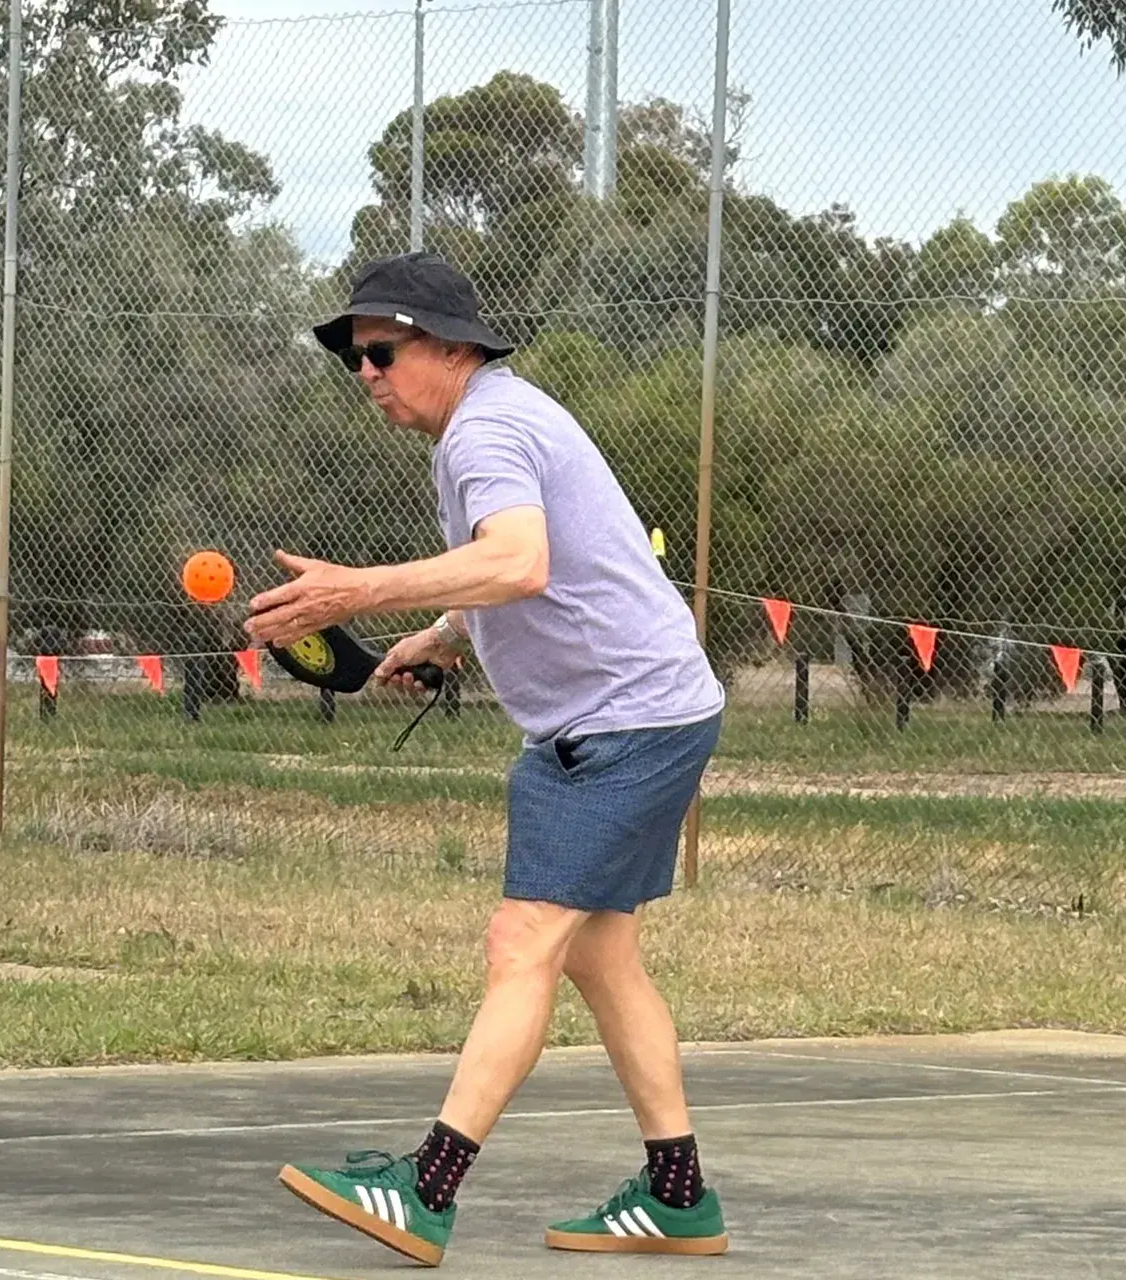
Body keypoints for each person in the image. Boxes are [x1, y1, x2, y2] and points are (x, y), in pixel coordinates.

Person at [245, 253, 727, 1266]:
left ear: (452, 347)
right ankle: (679, 1192)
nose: (366, 373)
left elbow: (523, 558)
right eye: (352, 358)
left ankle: (426, 1187)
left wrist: (356, 593)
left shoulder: (490, 430)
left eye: (381, 350)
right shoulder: (492, 424)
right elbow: (544, 559)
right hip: (629, 716)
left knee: (524, 941)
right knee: (599, 953)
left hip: (626, 723)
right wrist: (444, 632)